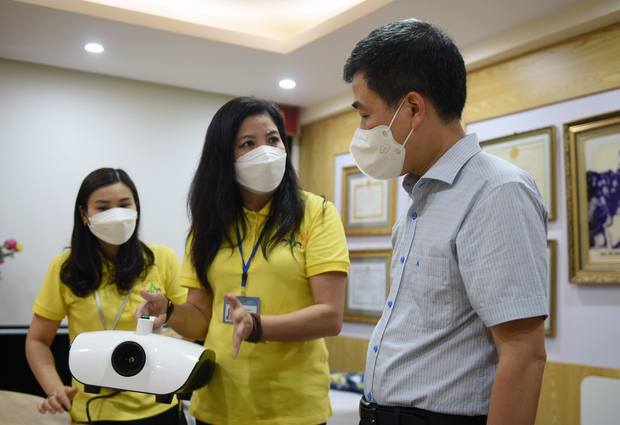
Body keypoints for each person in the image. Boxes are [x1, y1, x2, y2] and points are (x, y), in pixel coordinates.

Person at [343, 19, 548, 425]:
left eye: (365, 116)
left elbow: (523, 352)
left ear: (413, 109)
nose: (362, 131)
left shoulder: (496, 191)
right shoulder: (422, 199)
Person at [136, 96, 350, 425]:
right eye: (247, 143)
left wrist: (257, 326)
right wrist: (171, 312)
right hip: (218, 404)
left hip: (293, 408)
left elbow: (330, 316)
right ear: (224, 157)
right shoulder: (207, 226)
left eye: (273, 139)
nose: (265, 151)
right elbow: (200, 320)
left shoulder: (316, 213)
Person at [25, 168, 188, 424]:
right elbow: (37, 340)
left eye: (125, 205)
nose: (116, 214)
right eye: (103, 208)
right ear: (84, 214)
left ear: (136, 209)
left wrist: (165, 334)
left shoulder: (162, 259)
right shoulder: (65, 267)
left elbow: (190, 327)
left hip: (158, 407)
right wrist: (54, 388)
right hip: (91, 410)